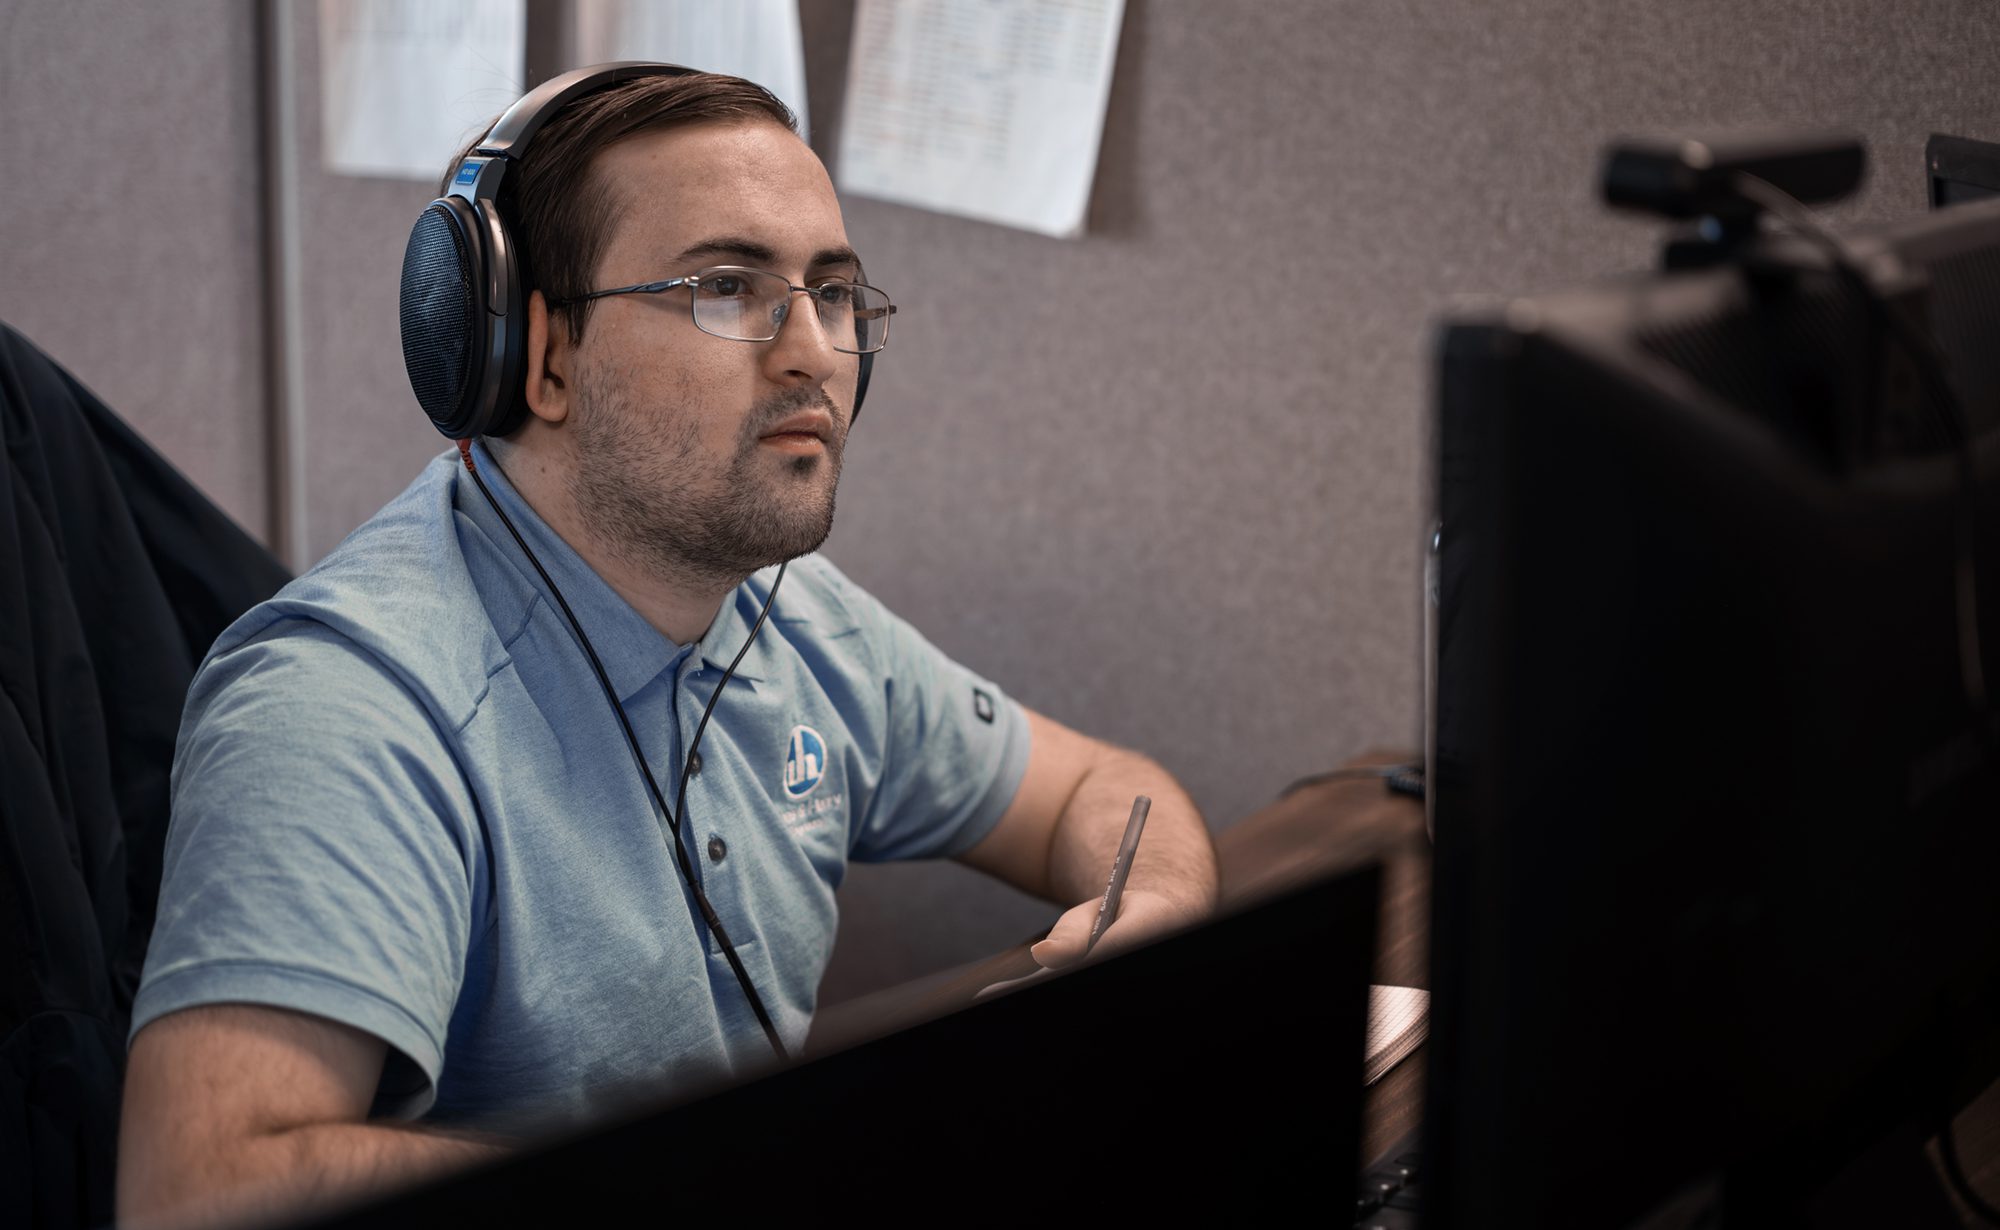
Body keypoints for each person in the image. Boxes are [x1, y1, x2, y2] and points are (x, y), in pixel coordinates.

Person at [115, 65, 1218, 1228]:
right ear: (533, 354)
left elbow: (1099, 792)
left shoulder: (794, 617)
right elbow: (200, 1191)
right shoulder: (353, 710)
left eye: (832, 293)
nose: (812, 355)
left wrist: (1154, 912)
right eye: (726, 287)